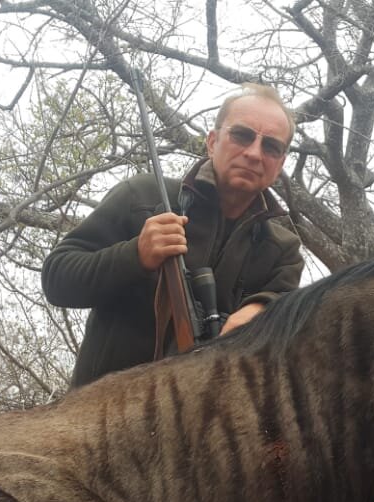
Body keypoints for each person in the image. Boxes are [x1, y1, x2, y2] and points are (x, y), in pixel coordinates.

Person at [42, 83, 304, 387]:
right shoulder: (141, 196)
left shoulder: (283, 251)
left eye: (271, 146)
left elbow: (288, 318)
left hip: (201, 427)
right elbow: (57, 279)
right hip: (98, 421)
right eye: (242, 135)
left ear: (281, 163)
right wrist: (135, 255)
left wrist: (260, 313)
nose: (254, 153)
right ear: (212, 141)